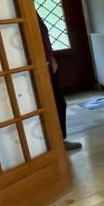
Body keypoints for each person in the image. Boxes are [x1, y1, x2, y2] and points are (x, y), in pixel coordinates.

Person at [37, 16, 82, 151]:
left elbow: (43, 39)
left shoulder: (32, 13)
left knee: (59, 103)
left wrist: (50, 58)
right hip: (39, 65)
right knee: (52, 104)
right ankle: (52, 142)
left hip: (47, 63)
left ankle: (59, 140)